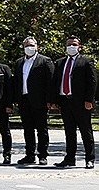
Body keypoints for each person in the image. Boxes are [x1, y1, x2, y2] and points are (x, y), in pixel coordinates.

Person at [51, 35, 97, 169]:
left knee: (85, 131)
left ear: (79, 46)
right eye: (69, 44)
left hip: (81, 102)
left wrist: (89, 100)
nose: (71, 46)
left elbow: (92, 82)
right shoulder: (60, 62)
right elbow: (56, 82)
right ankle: (70, 158)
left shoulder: (86, 61)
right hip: (65, 101)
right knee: (69, 132)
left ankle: (90, 158)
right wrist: (54, 100)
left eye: (74, 44)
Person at [13, 36, 54, 165]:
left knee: (41, 129)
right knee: (27, 129)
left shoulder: (45, 61)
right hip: (24, 100)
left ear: (37, 46)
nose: (29, 48)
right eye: (26, 46)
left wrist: (50, 100)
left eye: (31, 45)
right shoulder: (19, 62)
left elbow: (51, 82)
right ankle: (29, 155)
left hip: (39, 101)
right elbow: (17, 82)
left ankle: (43, 155)